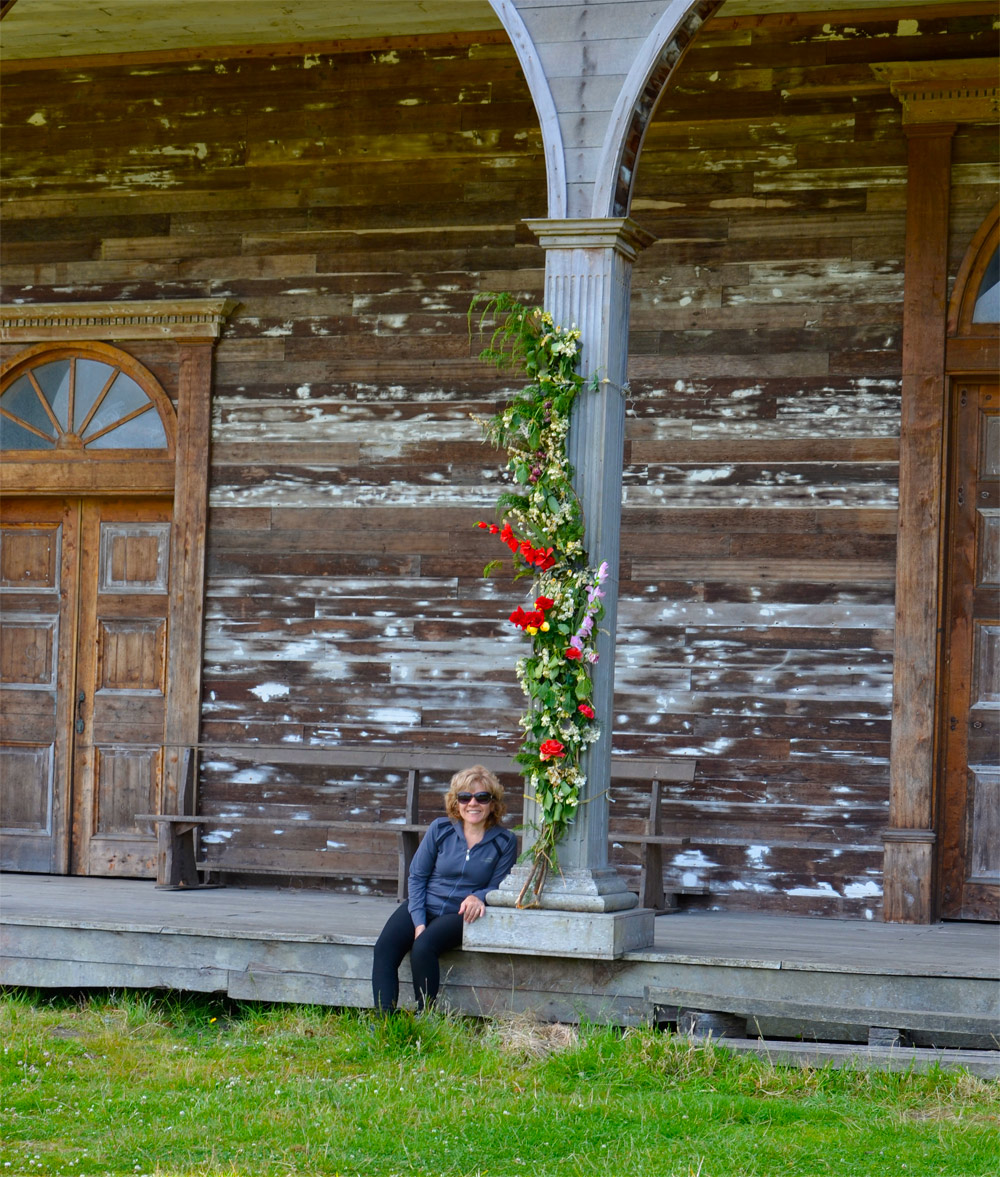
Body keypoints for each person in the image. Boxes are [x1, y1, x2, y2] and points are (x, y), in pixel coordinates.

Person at [371, 765, 517, 1013]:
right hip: (424, 903)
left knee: (424, 946)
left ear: (492, 803)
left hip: (460, 913)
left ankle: (424, 1017)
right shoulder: (440, 829)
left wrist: (478, 896)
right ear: (456, 802)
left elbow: (499, 886)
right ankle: (385, 1020)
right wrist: (418, 921)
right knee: (384, 948)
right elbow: (417, 876)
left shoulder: (505, 841)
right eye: (465, 797)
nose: (473, 803)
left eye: (482, 797)